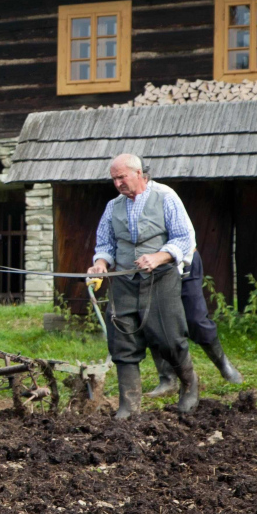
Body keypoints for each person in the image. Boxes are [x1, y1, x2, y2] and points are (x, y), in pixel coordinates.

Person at [87, 154, 199, 418]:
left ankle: (190, 382)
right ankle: (129, 405)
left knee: (170, 338)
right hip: (124, 281)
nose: (117, 183)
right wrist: (101, 264)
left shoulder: (165, 196)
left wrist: (159, 256)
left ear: (139, 173)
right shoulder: (113, 207)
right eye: (114, 178)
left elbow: (184, 237)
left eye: (121, 177)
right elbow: (105, 244)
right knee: (121, 341)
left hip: (161, 278)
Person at [146, 247, 244, 396]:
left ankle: (223, 365)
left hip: (184, 259)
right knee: (155, 321)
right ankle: (167, 380)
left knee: (195, 318)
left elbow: (184, 235)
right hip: (149, 268)